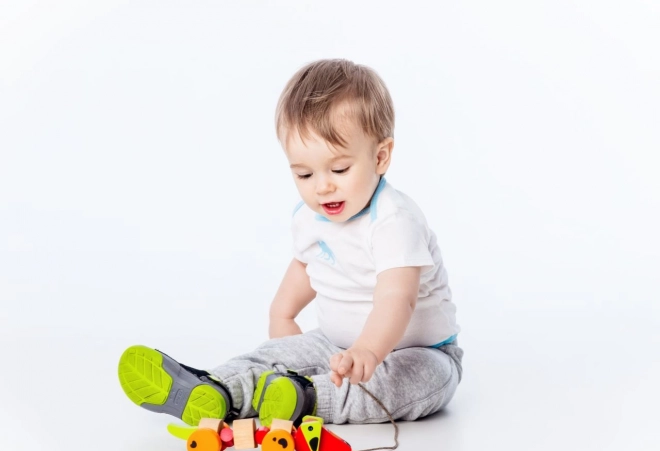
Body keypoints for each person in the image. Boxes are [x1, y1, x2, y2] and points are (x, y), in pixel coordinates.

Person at [118, 58, 463, 428]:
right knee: (272, 355)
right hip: (333, 345)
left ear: (380, 157)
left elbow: (398, 297)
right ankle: (217, 388)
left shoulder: (394, 219)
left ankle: (305, 397)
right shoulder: (310, 218)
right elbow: (306, 266)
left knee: (401, 383)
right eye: (304, 174)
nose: (322, 186)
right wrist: (281, 318)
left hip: (420, 352)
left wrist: (368, 350)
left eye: (339, 169)